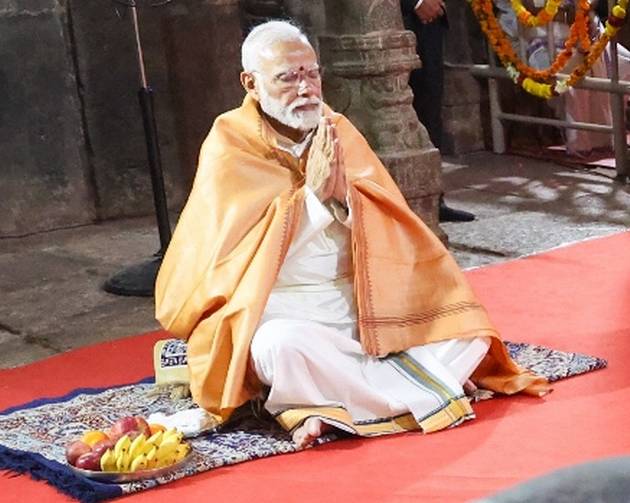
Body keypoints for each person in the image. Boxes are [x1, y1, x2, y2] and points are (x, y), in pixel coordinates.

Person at [155, 20, 548, 449]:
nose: (305, 89)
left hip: (360, 304)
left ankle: (325, 407)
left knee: (467, 327)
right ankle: (430, 387)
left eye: (311, 74)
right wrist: (312, 200)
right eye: (287, 78)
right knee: (278, 347)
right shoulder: (229, 143)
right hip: (284, 309)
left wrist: (346, 201)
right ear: (251, 83)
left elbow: (388, 221)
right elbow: (231, 255)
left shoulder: (336, 128)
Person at [400, 0, 476, 222]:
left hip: (429, 25)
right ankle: (404, 201)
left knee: (430, 109)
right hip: (397, 21)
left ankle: (432, 199)